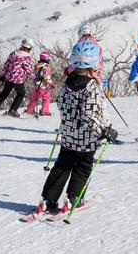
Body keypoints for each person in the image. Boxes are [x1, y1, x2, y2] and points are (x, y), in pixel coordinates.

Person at [30, 40, 117, 218]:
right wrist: (103, 131)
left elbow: (60, 104)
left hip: (69, 135)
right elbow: (90, 115)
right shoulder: (91, 86)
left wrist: (69, 120)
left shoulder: (67, 82)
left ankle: (48, 199)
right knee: (83, 167)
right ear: (94, 63)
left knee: (62, 166)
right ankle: (74, 199)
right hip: (87, 139)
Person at [0, 38, 34, 117]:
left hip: (9, 78)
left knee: (5, 92)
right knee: (21, 94)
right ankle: (12, 111)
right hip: (18, 79)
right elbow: (28, 69)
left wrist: (2, 76)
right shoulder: (26, 57)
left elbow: (6, 65)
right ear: (29, 48)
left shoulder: (13, 53)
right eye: (30, 49)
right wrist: (34, 77)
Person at [25, 51, 56, 116]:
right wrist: (52, 83)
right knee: (46, 98)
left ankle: (29, 110)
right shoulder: (46, 67)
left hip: (36, 85)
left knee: (34, 98)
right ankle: (44, 111)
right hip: (43, 86)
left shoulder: (37, 65)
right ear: (47, 59)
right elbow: (46, 77)